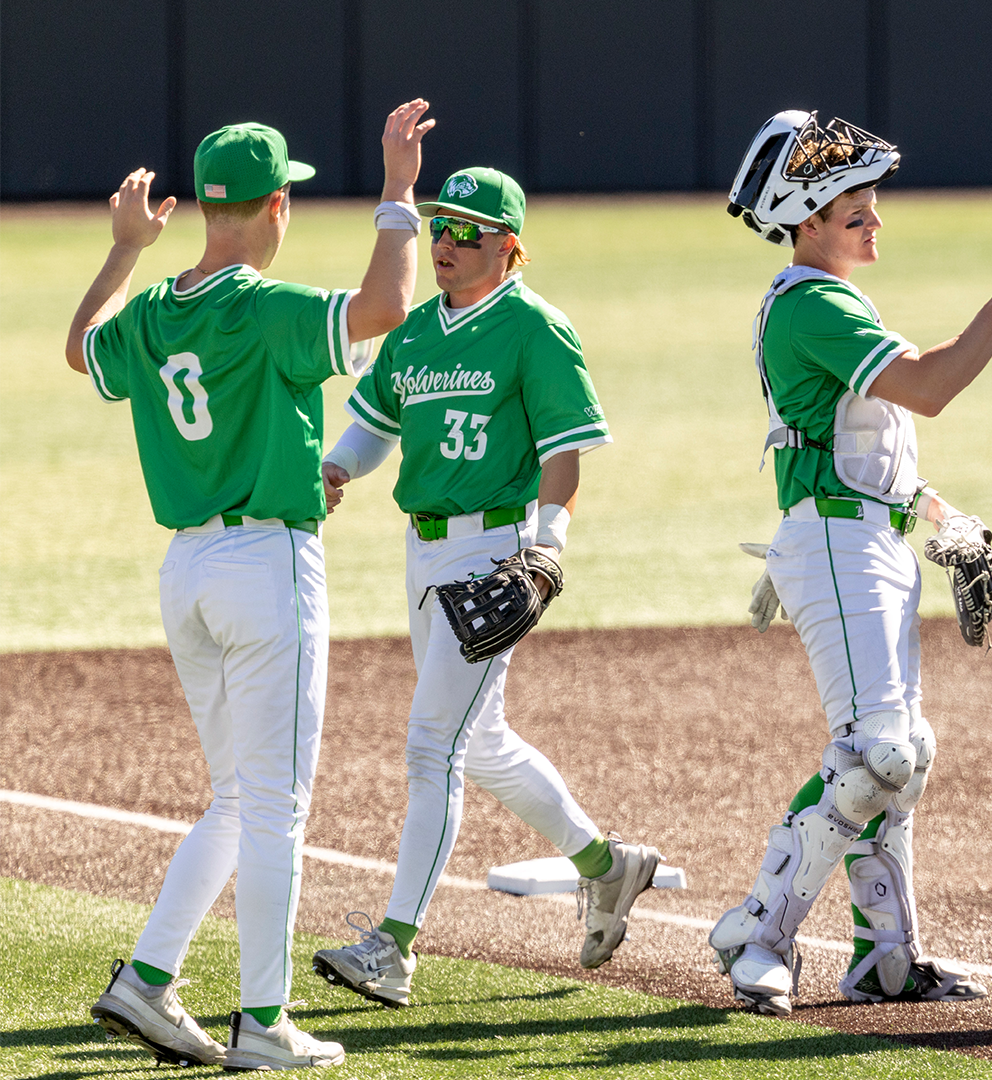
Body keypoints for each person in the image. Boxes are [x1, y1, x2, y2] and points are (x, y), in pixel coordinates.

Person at [74, 103, 432, 1069]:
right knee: (274, 804)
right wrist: (399, 193)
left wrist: (123, 252)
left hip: (186, 571)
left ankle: (147, 981)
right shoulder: (263, 306)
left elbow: (81, 349)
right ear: (277, 205)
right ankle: (263, 1025)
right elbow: (386, 309)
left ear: (202, 209)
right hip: (267, 565)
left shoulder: (151, 311)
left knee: (239, 796)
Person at [706, 111, 992, 1016]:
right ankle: (757, 932)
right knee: (875, 756)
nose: (875, 222)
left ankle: (886, 959)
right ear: (807, 219)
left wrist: (942, 512)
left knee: (902, 759)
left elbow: (871, 453)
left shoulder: (838, 302)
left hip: (870, 542)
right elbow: (930, 388)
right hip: (835, 546)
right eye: (856, 210)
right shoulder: (811, 302)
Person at [310, 166, 662, 1009]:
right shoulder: (416, 333)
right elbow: (374, 425)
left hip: (494, 552)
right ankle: (610, 867)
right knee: (485, 741)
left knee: (432, 747)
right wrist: (334, 466)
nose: (448, 243)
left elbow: (563, 451)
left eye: (469, 230)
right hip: (423, 549)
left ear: (511, 245)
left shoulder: (535, 329)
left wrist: (548, 547)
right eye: (441, 227)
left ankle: (392, 947)